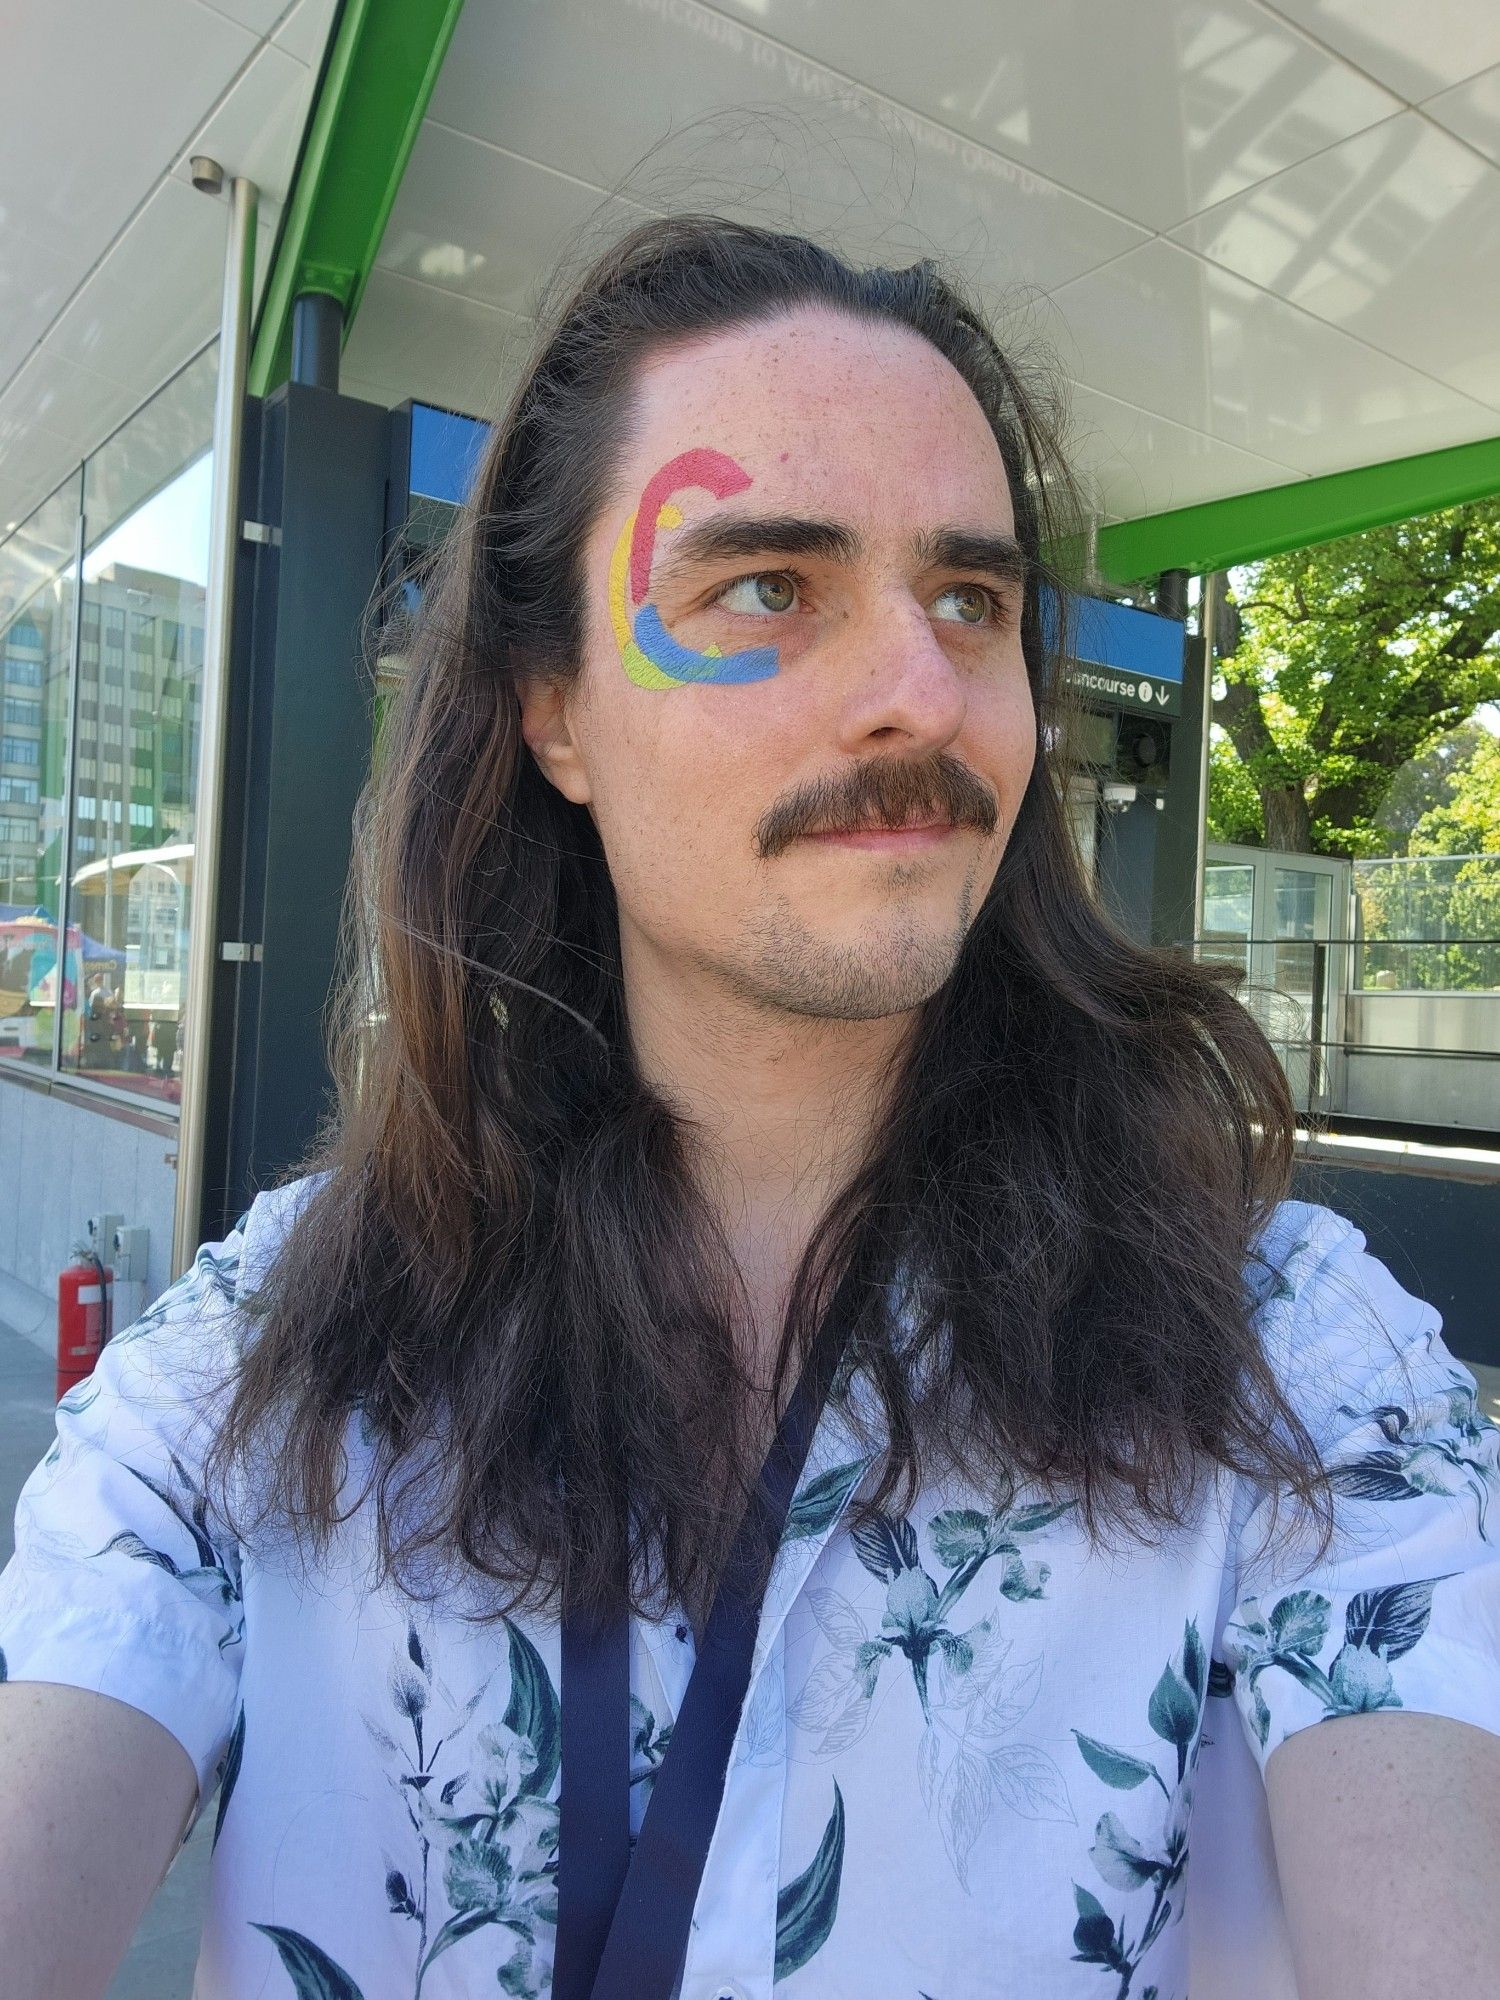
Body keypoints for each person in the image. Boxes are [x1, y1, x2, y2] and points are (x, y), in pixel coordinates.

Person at [1, 215, 1497, 2000]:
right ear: (554, 711)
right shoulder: (264, 1371)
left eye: (973, 599)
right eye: (770, 587)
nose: (921, 692)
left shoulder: (1294, 1369)